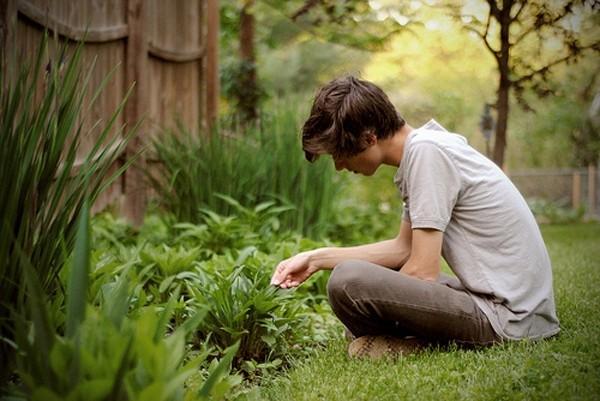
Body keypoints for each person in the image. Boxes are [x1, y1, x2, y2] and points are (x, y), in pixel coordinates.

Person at [269, 75, 560, 359]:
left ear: (369, 137)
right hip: (507, 307)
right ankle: (409, 340)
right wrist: (316, 258)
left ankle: (414, 344)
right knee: (357, 283)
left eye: (339, 154)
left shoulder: (426, 153)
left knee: (349, 281)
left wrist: (376, 302)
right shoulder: (424, 148)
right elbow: (403, 249)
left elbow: (422, 271)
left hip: (509, 319)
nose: (339, 166)